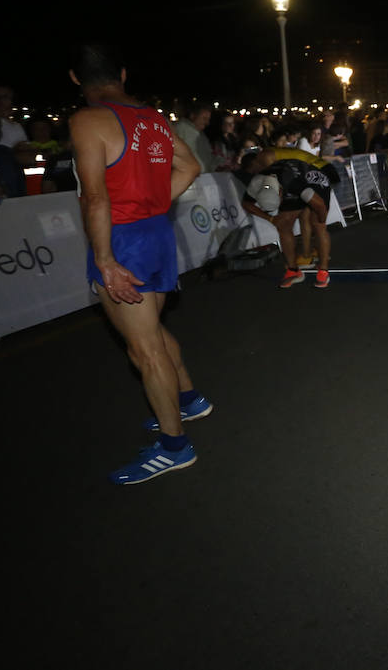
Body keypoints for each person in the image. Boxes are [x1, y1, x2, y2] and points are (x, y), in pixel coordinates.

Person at [68, 42, 212, 485]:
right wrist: (153, 205)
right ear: (123, 74)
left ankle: (174, 447)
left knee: (143, 350)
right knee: (151, 330)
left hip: (123, 241)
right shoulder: (152, 118)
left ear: (75, 79)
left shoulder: (87, 120)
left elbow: (94, 196)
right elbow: (190, 168)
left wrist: (105, 258)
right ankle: (189, 400)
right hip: (156, 236)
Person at [241, 145, 337, 288]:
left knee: (317, 224)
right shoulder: (257, 183)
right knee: (283, 225)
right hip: (286, 182)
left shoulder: (292, 183)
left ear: (280, 193)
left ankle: (323, 270)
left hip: (314, 181)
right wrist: (271, 219)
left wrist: (321, 221)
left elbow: (320, 206)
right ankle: (293, 271)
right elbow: (246, 204)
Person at [173, 101, 216, 174]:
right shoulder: (182, 129)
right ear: (192, 116)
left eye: (208, 119)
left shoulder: (200, 134)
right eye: (204, 118)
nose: (207, 123)